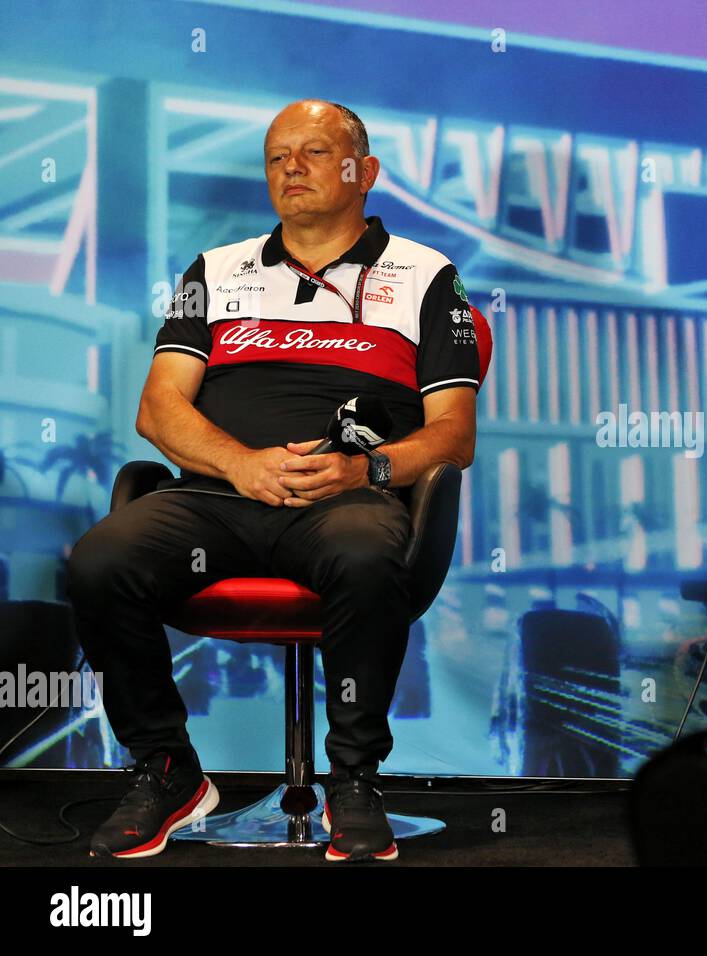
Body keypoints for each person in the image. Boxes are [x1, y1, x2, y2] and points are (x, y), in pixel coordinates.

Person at [67, 100, 481, 861]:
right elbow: (159, 409)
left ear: (367, 171)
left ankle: (353, 780)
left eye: (315, 151)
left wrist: (368, 469)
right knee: (97, 560)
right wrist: (242, 464)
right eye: (276, 155)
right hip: (215, 498)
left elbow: (455, 433)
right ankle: (168, 769)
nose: (291, 166)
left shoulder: (432, 278)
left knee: (363, 551)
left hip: (344, 498)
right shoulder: (211, 271)